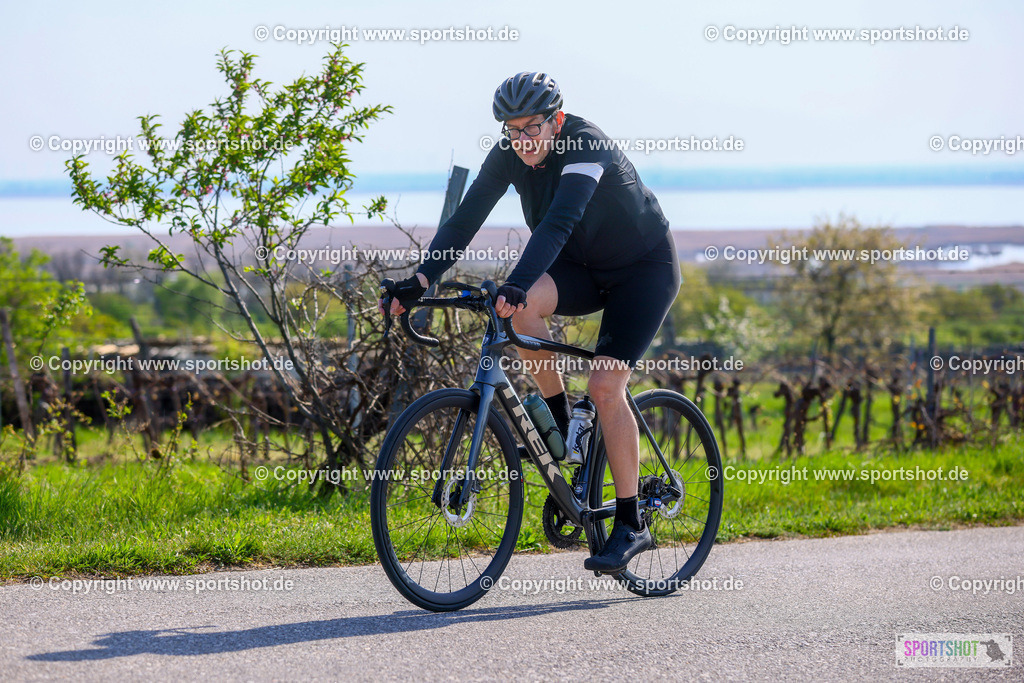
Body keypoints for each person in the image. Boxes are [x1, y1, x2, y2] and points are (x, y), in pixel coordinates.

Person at [384, 71, 680, 572]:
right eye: (512, 129)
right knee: (519, 309)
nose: (522, 140)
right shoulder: (507, 153)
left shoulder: (586, 144)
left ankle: (631, 524)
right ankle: (563, 424)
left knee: (607, 386)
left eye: (532, 128)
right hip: (581, 268)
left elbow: (559, 221)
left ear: (556, 120)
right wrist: (420, 279)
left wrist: (517, 280)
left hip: (641, 270)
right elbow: (464, 219)